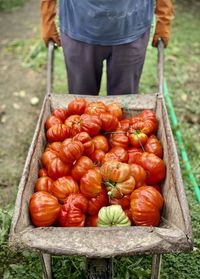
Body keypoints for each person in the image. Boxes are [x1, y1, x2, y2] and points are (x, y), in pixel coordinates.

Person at [40, 0, 173, 95]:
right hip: (79, 25)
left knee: (124, 103)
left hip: (131, 27)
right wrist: (47, 18)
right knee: (81, 102)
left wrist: (164, 17)